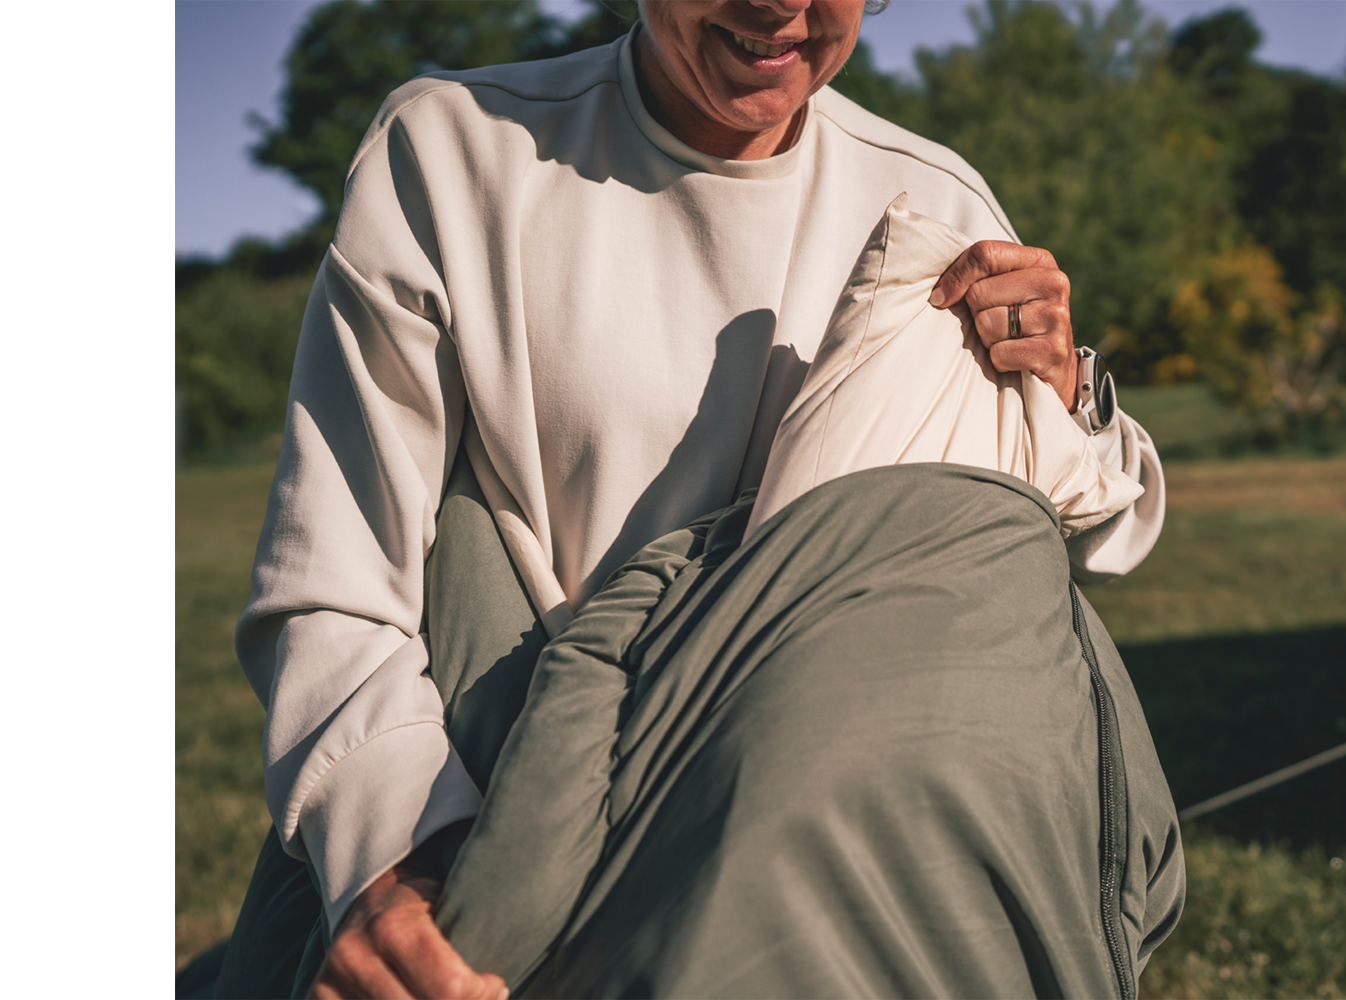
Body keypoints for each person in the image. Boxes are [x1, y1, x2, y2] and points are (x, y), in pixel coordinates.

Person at [215, 3, 1179, 998]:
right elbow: (333, 576)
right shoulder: (457, 150)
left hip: (795, 811)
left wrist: (1064, 392)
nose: (778, 7)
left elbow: (1100, 534)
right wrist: (393, 852)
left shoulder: (933, 197)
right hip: (509, 771)